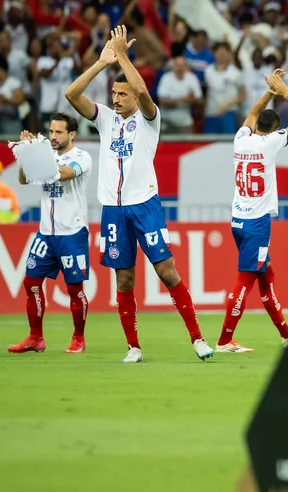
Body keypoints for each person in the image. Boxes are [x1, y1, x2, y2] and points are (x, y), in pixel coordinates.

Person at [65, 26, 213, 363]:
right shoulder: (105, 119)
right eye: (114, 94)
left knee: (167, 271)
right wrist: (104, 62)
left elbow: (144, 90)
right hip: (113, 209)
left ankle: (198, 339)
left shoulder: (150, 120)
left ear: (134, 97)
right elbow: (72, 95)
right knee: (124, 278)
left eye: (122, 94)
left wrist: (125, 57)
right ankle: (133, 347)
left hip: (145, 205)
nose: (116, 99)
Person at [216, 69, 288, 353]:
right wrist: (285, 92)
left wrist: (269, 91)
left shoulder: (241, 139)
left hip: (237, 219)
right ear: (276, 126)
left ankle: (286, 334)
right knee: (245, 280)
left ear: (256, 125)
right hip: (257, 223)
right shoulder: (271, 143)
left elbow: (252, 114)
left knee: (265, 277)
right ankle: (224, 340)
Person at [8, 115, 92, 355]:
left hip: (72, 233)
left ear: (72, 134)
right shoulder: (48, 155)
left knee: (74, 288)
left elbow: (64, 174)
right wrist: (26, 154)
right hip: (46, 233)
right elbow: (24, 180)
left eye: (59, 132)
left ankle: (78, 338)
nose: (53, 136)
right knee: (31, 282)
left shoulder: (82, 158)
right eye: (51, 131)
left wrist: (38, 153)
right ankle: (36, 338)